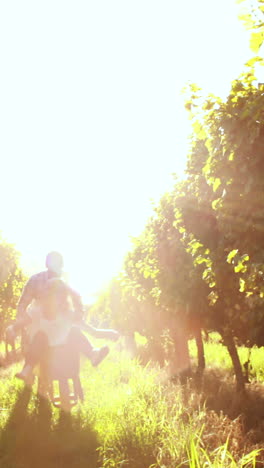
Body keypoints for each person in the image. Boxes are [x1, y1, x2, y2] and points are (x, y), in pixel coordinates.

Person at [6, 253, 119, 383]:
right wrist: (13, 329)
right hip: (43, 342)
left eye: (60, 297)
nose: (56, 300)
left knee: (75, 331)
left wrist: (108, 333)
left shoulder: (66, 312)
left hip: (62, 343)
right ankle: (28, 369)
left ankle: (92, 354)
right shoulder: (37, 308)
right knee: (39, 337)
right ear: (45, 297)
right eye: (52, 296)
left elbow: (89, 329)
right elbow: (23, 315)